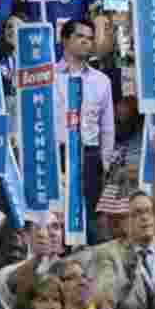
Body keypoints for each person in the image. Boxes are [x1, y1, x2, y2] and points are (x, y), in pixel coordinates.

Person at [54, 19, 114, 243]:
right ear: (65, 39)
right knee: (57, 215)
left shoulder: (102, 81)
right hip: (57, 154)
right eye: (80, 37)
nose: (86, 42)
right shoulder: (48, 75)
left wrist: (105, 164)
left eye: (90, 39)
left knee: (87, 216)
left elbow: (107, 127)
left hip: (88, 155)